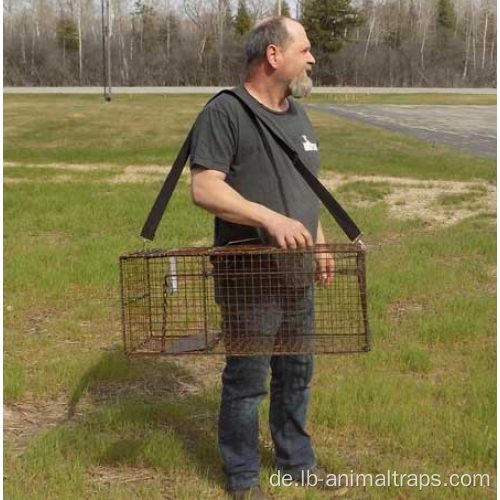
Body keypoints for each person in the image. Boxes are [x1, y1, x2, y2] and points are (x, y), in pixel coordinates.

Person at [189, 16, 346, 500]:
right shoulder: (226, 112)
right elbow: (204, 187)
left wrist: (317, 238)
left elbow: (302, 188)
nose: (313, 57)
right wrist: (269, 219)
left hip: (297, 271)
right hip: (249, 273)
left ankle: (297, 463)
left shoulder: (298, 114)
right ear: (273, 56)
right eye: (305, 48)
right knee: (248, 378)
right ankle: (241, 478)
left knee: (297, 372)